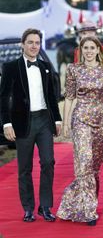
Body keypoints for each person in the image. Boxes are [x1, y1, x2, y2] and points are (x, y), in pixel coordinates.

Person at [0, 28, 62, 222]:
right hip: (22, 123)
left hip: (44, 120)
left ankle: (45, 206)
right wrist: (7, 124)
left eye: (37, 43)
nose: (34, 46)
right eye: (30, 42)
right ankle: (28, 208)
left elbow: (52, 97)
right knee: (24, 168)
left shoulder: (45, 67)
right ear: (23, 44)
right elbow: (3, 98)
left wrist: (57, 120)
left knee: (48, 162)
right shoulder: (10, 67)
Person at [56, 36, 103, 226]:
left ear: (98, 50)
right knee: (84, 162)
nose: (89, 51)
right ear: (81, 50)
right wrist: (65, 123)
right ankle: (89, 212)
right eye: (85, 48)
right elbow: (69, 97)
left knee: (94, 168)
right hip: (80, 118)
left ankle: (73, 202)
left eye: (92, 47)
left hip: (100, 120)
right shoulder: (73, 69)